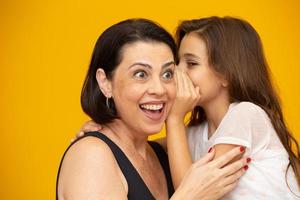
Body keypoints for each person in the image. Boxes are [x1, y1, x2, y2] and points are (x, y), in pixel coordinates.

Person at [56, 18, 249, 200]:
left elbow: (207, 137)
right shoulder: (92, 155)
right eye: (140, 74)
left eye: (167, 74)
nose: (159, 89)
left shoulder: (163, 153)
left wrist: (175, 119)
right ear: (105, 82)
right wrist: (189, 196)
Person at [165, 16, 300, 199]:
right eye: (177, 63)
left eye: (191, 63)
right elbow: (142, 146)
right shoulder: (193, 134)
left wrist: (174, 119)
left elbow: (192, 192)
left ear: (226, 75)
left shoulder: (245, 114)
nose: (178, 72)